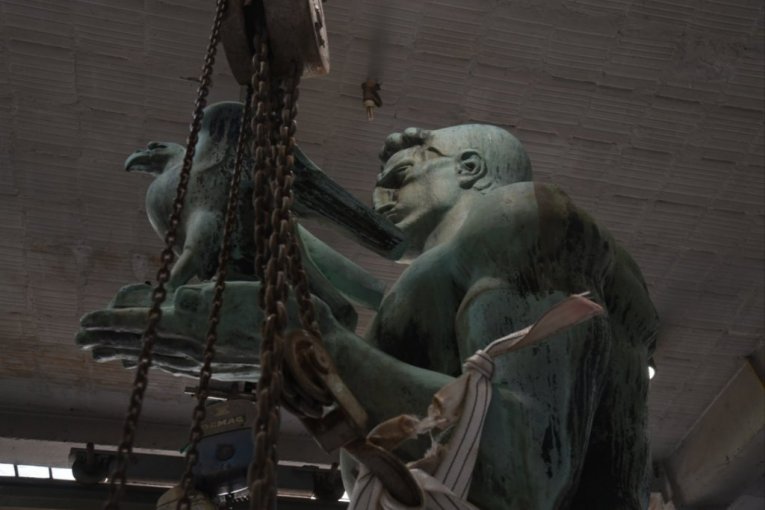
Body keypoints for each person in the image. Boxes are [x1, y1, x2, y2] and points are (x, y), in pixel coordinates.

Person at [78, 124, 658, 509]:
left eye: (401, 178)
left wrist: (313, 343)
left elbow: (527, 471)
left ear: (471, 169)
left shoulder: (514, 216)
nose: (380, 200)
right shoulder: (439, 276)